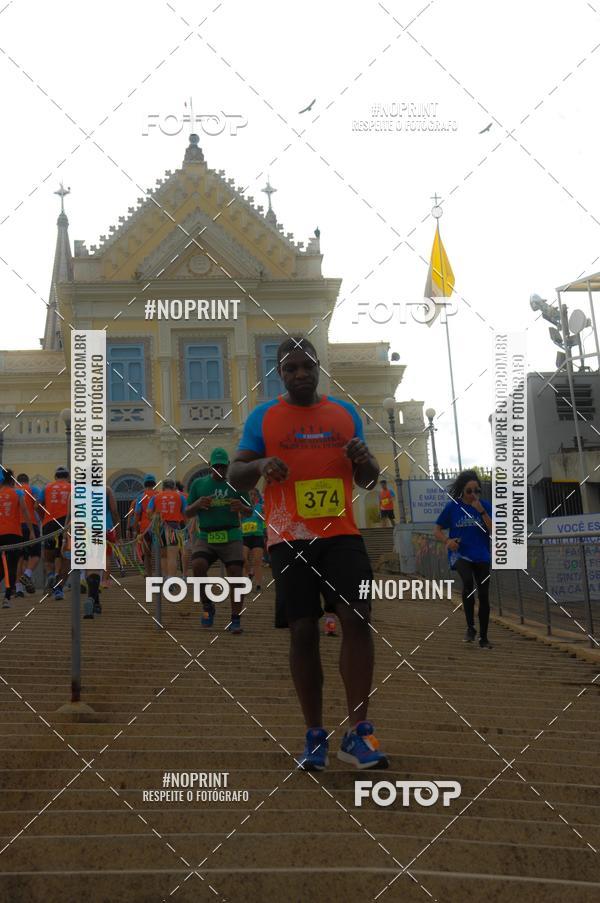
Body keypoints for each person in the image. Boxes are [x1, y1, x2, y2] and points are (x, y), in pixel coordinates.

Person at [230, 336, 388, 771]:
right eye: (290, 368)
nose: (300, 373)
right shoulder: (264, 418)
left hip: (341, 534)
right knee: (303, 631)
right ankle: (315, 735)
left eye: (307, 366)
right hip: (289, 538)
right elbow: (236, 474)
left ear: (319, 367)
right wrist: (260, 465)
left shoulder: (344, 414)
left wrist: (364, 459)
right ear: (279, 373)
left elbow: (369, 480)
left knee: (357, 617)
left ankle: (359, 733)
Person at [185, 448, 251, 634]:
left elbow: (250, 511)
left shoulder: (237, 484)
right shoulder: (198, 484)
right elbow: (187, 512)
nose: (220, 470)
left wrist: (241, 507)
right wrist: (198, 504)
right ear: (210, 466)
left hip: (231, 534)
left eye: (223, 466)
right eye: (216, 467)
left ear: (228, 466)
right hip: (206, 535)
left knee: (236, 573)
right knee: (197, 565)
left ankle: (235, 618)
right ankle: (207, 606)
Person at [434, 469, 494, 649]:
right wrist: (448, 541)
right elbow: (437, 530)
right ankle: (470, 627)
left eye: (477, 490)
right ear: (462, 490)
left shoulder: (485, 505)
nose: (473, 494)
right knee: (467, 582)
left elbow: (494, 530)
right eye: (469, 491)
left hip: (482, 555)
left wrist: (481, 511)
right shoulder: (452, 507)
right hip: (460, 554)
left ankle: (484, 637)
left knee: (483, 595)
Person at [83, 487, 119, 619]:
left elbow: (71, 514)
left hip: (85, 529)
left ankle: (94, 601)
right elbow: (114, 511)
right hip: (104, 528)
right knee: (100, 562)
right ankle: (93, 599)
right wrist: (118, 531)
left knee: (90, 566)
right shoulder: (107, 490)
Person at [37, 466, 71, 601]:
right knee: (66, 559)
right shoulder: (73, 487)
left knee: (48, 557)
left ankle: (51, 574)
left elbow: (37, 505)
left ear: (55, 477)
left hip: (49, 524)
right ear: (67, 477)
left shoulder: (47, 487)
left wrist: (43, 518)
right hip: (66, 524)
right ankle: (59, 589)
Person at [0, 469, 32, 608]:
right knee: (12, 566)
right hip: (14, 534)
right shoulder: (18, 493)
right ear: (12, 480)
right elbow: (25, 511)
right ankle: (7, 598)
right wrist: (31, 531)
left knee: (1, 568)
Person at [147, 479, 186, 586]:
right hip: (173, 527)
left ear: (163, 487)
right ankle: (171, 580)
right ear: (174, 487)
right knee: (172, 556)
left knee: (163, 555)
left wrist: (155, 517)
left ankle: (164, 577)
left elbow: (149, 512)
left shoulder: (155, 497)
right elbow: (185, 513)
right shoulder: (180, 497)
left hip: (159, 528)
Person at [16, 473, 42, 595]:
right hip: (30, 524)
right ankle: (27, 574)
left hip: (17, 527)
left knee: (21, 558)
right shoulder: (33, 489)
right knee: (36, 554)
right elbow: (38, 505)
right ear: (27, 481)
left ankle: (18, 588)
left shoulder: (14, 491)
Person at [133, 475, 158, 578]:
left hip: (144, 529)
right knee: (160, 554)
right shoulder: (159, 495)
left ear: (144, 484)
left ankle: (149, 575)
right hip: (158, 528)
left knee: (147, 555)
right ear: (154, 484)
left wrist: (136, 530)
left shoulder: (141, 497)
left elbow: (137, 514)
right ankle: (161, 575)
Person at [241, 488, 265, 592]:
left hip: (257, 536)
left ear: (257, 497)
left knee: (257, 561)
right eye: (251, 494)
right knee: (243, 558)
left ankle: (258, 585)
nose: (252, 496)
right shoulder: (243, 508)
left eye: (254, 495)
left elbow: (266, 517)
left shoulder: (260, 507)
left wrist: (262, 516)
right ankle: (247, 576)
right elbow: (238, 519)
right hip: (245, 536)